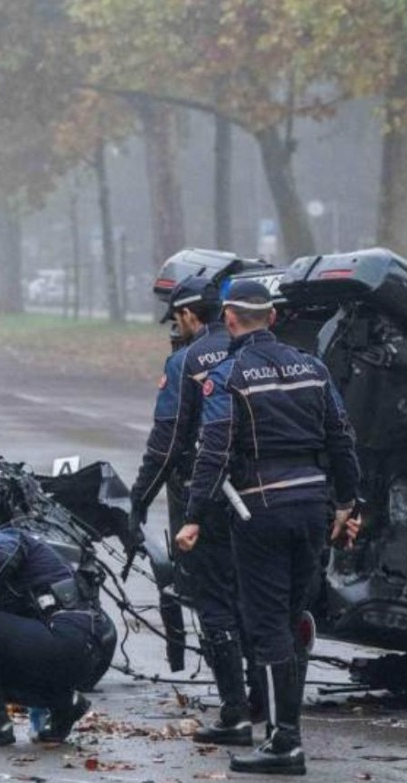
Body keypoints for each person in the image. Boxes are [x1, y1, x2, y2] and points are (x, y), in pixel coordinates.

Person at [181, 279, 361, 776]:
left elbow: (214, 450)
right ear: (274, 318)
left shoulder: (228, 374)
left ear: (230, 319)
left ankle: (285, 742)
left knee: (265, 626)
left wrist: (193, 516)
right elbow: (342, 438)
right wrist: (348, 503)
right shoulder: (314, 367)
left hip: (259, 510)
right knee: (292, 616)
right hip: (313, 508)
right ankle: (286, 734)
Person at [129, 274, 258, 746]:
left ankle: (236, 713)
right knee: (258, 600)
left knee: (215, 602)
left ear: (188, 314)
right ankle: (267, 701)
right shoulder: (266, 354)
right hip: (267, 497)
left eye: (176, 319)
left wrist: (138, 500)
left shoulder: (186, 362)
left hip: (207, 500)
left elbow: (166, 444)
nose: (175, 328)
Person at [0, 501, 101, 746]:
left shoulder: (7, 539)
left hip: (67, 638)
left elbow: (4, 555)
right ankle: (64, 704)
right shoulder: (6, 579)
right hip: (64, 653)